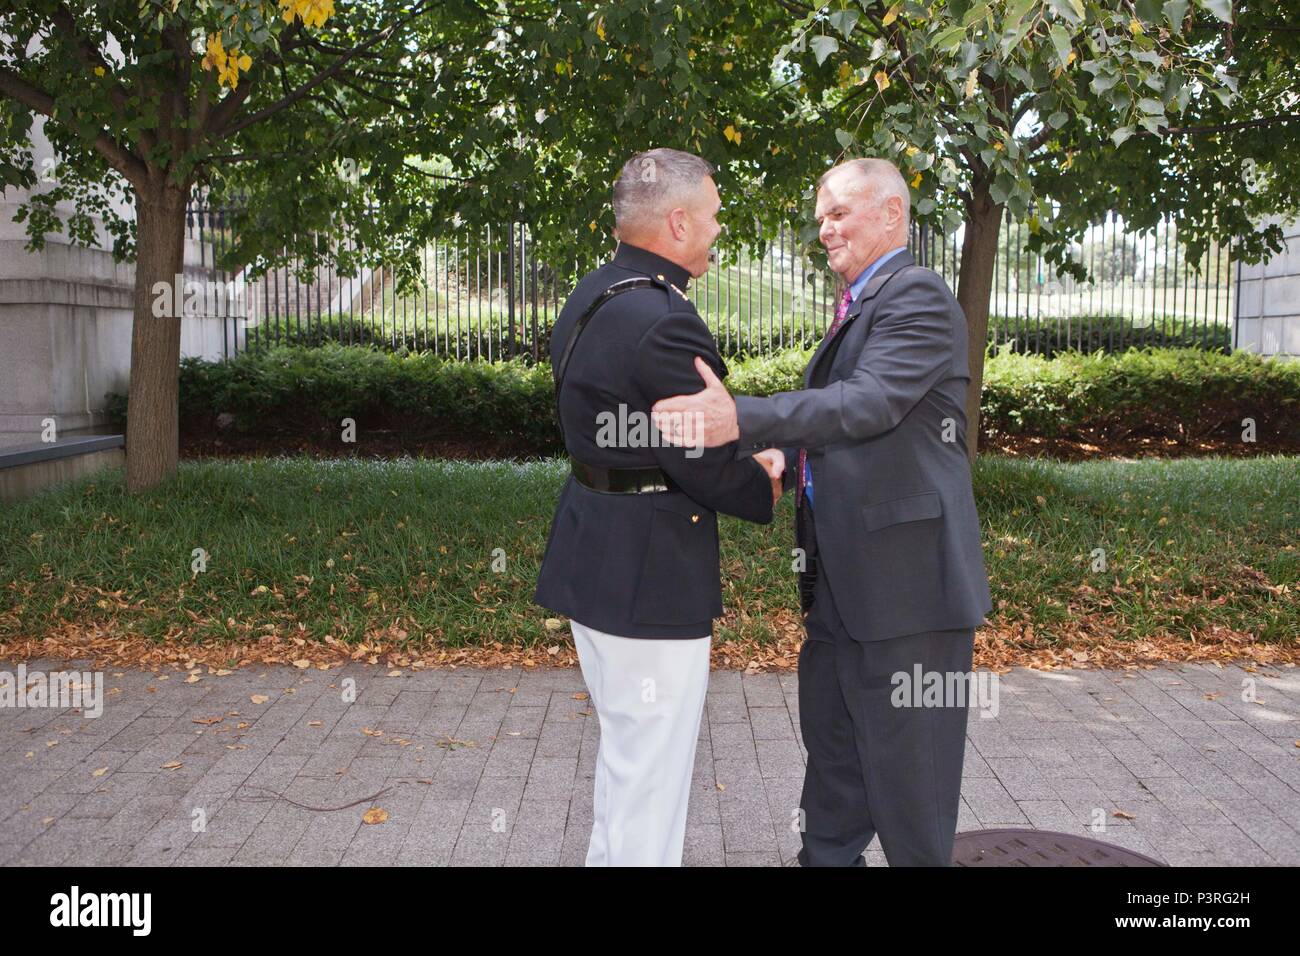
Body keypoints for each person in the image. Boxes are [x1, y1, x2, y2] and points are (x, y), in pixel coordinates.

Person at [651, 158, 993, 866]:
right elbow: (848, 426)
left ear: (894, 214)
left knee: (910, 789)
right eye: (820, 218)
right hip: (843, 585)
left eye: (839, 213)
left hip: (909, 596)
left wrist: (742, 419)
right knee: (835, 766)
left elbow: (867, 403)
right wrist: (783, 459)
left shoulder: (918, 296)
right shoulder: (865, 303)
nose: (824, 229)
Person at [533, 147, 783, 866]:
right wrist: (766, 475)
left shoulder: (596, 290)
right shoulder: (663, 318)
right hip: (649, 572)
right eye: (711, 218)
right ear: (677, 222)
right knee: (650, 780)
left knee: (627, 763)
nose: (716, 232)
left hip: (595, 552)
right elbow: (701, 455)